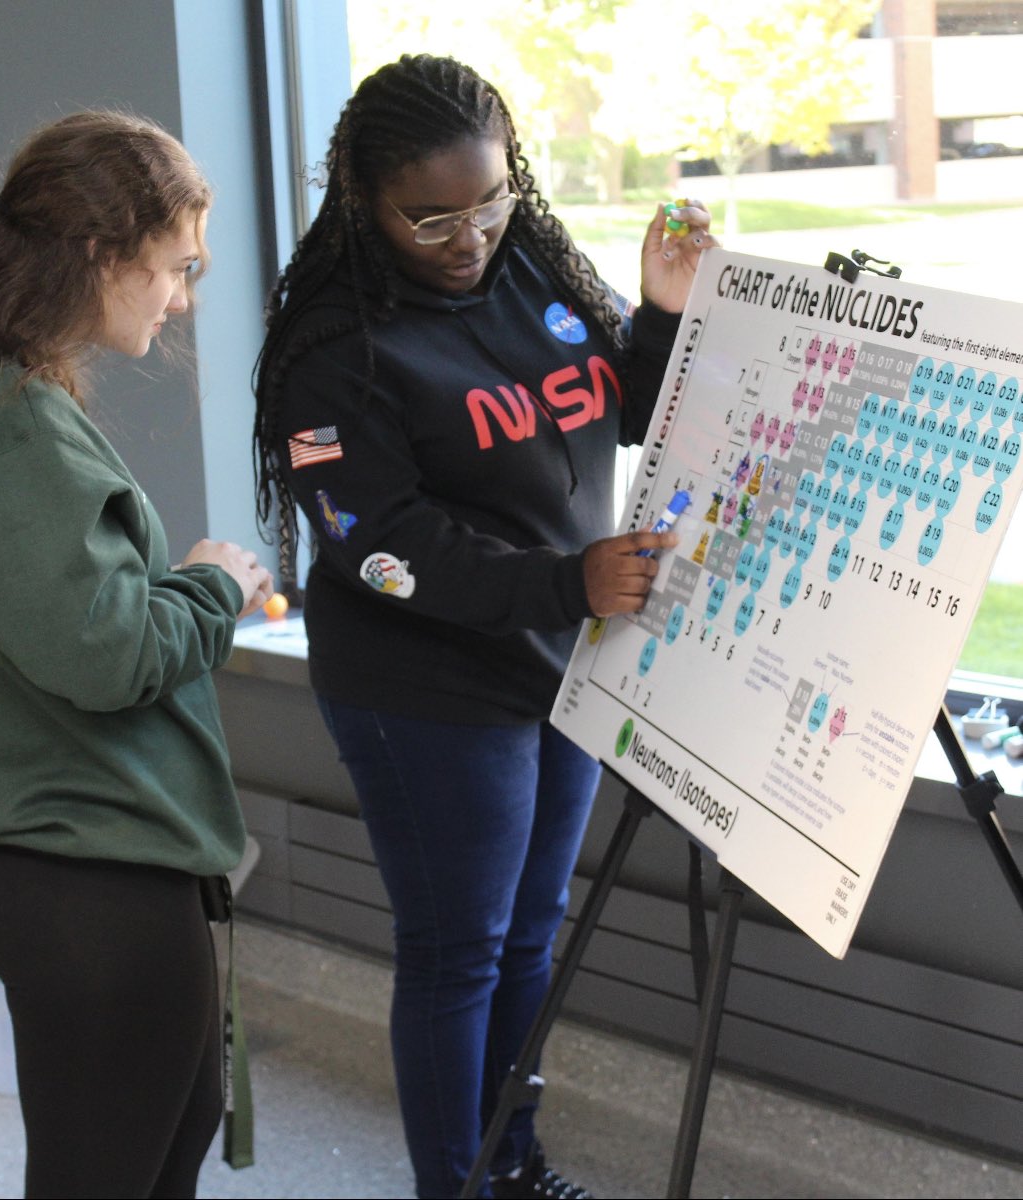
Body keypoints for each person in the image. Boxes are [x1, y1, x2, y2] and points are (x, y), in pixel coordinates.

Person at [252, 53, 716, 1200]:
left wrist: (658, 311)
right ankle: (454, 1185)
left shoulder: (531, 268)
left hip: (557, 664)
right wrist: (568, 585)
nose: (469, 237)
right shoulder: (331, 350)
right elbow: (384, 547)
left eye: (493, 199)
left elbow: (626, 411)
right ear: (363, 201)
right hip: (427, 690)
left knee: (529, 938)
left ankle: (513, 1162)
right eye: (432, 218)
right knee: (459, 954)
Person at [0, 110, 273, 1199]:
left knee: (155, 1148)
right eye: (177, 268)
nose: (182, 298)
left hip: (71, 871)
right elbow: (104, 652)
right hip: (97, 886)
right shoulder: (12, 417)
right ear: (102, 252)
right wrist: (215, 586)